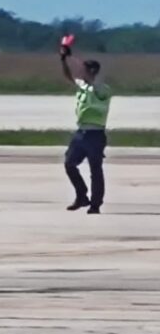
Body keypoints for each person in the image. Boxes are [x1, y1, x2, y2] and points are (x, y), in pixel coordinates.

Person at [59, 33, 113, 214]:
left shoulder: (102, 89)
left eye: (85, 70)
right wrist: (64, 59)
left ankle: (95, 204)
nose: (81, 72)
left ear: (93, 72)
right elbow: (69, 76)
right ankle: (82, 195)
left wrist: (71, 55)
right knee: (69, 164)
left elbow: (88, 77)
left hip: (96, 134)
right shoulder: (82, 86)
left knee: (95, 169)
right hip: (81, 133)